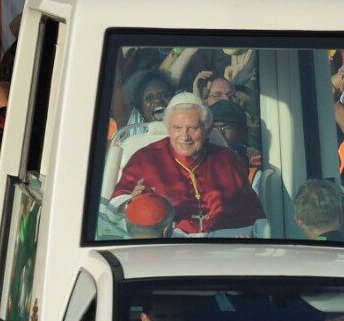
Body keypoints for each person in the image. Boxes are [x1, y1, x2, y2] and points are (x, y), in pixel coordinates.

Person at [111, 92, 265, 235]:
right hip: (170, 250)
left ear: (208, 130)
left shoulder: (228, 160)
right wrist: (133, 201)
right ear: (168, 128)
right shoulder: (144, 159)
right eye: (177, 128)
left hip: (222, 248)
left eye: (192, 128)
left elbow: (254, 215)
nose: (184, 136)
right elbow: (113, 208)